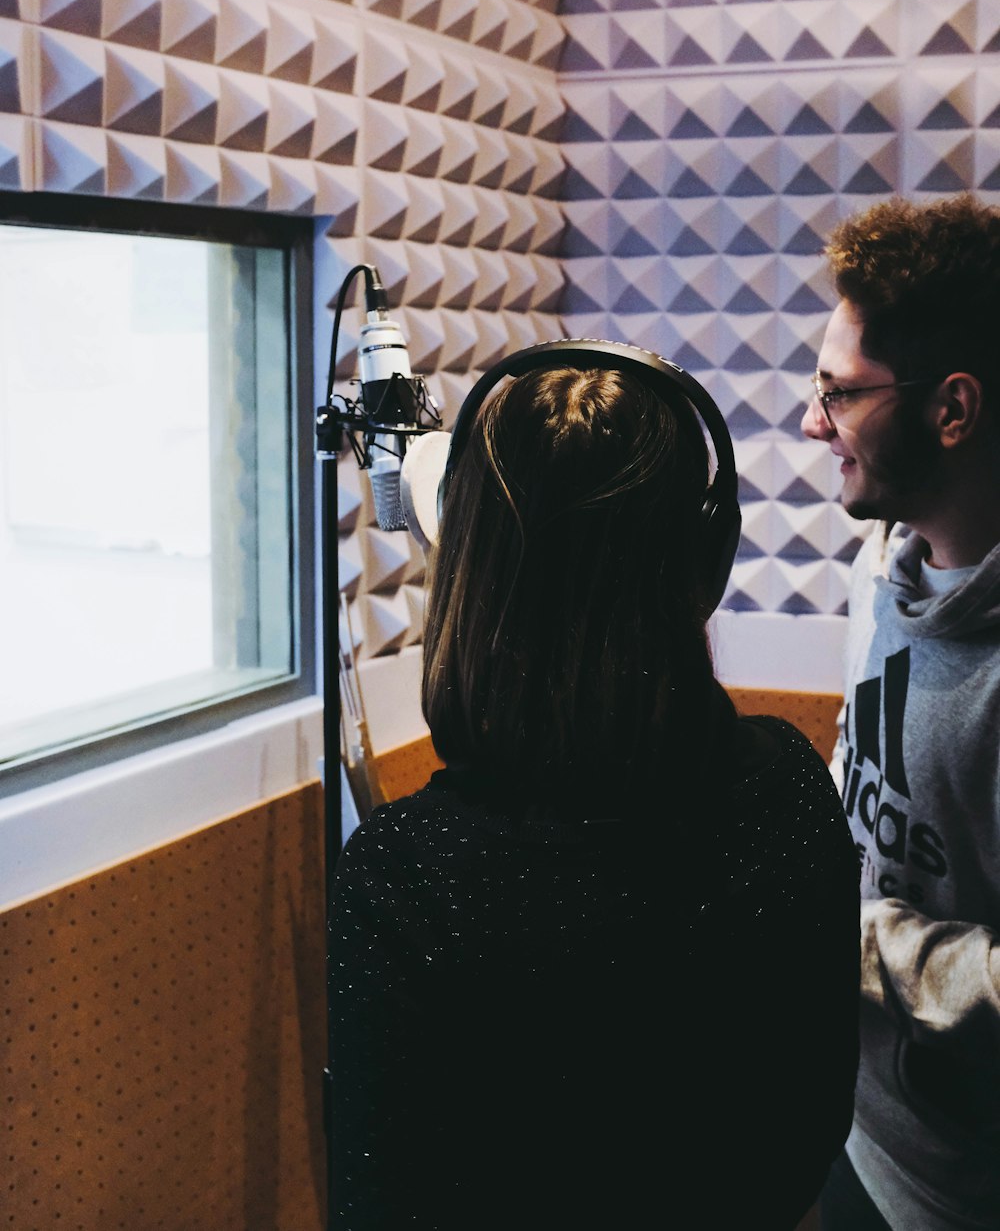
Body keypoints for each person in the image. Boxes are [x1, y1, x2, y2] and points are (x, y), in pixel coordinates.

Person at [330, 347, 860, 1230]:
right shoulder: (789, 795)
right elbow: (806, 1135)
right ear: (712, 555)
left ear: (464, 560)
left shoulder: (406, 876)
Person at [801, 193, 1000, 1231]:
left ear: (951, 410)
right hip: (851, 1136)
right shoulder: (876, 560)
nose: (809, 421)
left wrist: (851, 945)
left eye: (838, 394)